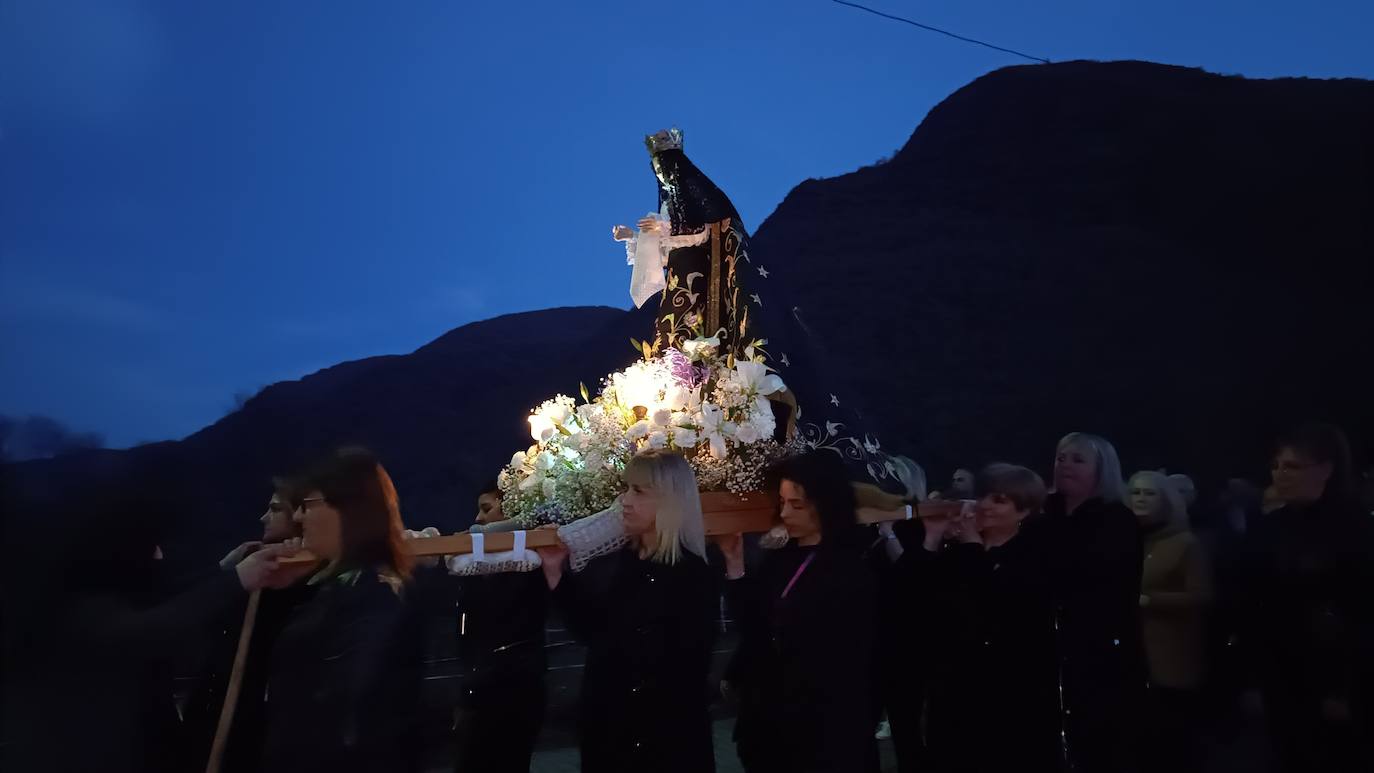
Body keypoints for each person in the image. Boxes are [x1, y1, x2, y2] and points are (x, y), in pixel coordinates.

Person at [5, 469, 305, 773]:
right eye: (152, 546)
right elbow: (150, 628)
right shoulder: (80, 609)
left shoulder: (94, 592)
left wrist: (226, 570)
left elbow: (169, 596)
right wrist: (238, 579)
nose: (160, 556)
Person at [535, 450, 717, 773]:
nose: (625, 501)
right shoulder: (626, 562)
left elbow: (686, 673)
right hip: (611, 740)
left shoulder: (692, 575)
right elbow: (594, 633)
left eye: (639, 491)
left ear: (669, 501)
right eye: (626, 489)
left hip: (662, 750)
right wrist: (556, 575)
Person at [260, 447, 425, 773]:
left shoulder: (376, 590)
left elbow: (353, 700)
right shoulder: (333, 585)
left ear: (348, 509)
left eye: (307, 505)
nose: (297, 517)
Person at [719, 451, 880, 773]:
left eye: (797, 505)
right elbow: (756, 625)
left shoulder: (852, 568)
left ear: (826, 505)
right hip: (773, 724)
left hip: (825, 730)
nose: (785, 513)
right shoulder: (780, 559)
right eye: (781, 502)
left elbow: (860, 660)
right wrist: (734, 565)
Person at [906, 463, 1062, 773]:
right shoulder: (959, 552)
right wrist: (932, 538)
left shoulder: (1032, 557)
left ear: (1024, 512)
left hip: (1003, 695)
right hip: (951, 686)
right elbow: (913, 597)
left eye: (1000, 500)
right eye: (985, 497)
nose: (985, 506)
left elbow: (997, 606)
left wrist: (973, 548)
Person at [1239, 423, 1374, 772]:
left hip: (1335, 674)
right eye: (1277, 465)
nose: (1280, 474)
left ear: (1326, 469)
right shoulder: (1268, 528)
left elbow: (1361, 611)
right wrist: (1252, 676)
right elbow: (1252, 603)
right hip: (1280, 674)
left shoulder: (1356, 528)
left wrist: (1343, 689)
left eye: (1293, 466)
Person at [181, 478, 317, 773]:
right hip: (211, 709)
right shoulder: (252, 565)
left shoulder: (310, 579)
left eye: (274, 509)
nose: (263, 517)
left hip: (251, 719)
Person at [1038, 432, 1147, 772]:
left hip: (1100, 650)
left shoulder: (1117, 520)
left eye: (1077, 459)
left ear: (1102, 470)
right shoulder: (1045, 517)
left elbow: (1097, 579)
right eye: (1060, 457)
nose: (1065, 465)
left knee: (1099, 741)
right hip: (1048, 647)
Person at [450, 480, 548, 773]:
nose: (478, 518)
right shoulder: (474, 568)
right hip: (480, 686)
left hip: (514, 687)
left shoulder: (533, 562)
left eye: (486, 508)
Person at [1128, 471, 1213, 773]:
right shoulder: (1129, 540)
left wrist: (1149, 599)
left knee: (1172, 741)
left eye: (1149, 493)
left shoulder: (1185, 542)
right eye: (1136, 492)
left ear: (1165, 500)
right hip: (1131, 654)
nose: (1140, 498)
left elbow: (1201, 596)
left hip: (1171, 655)